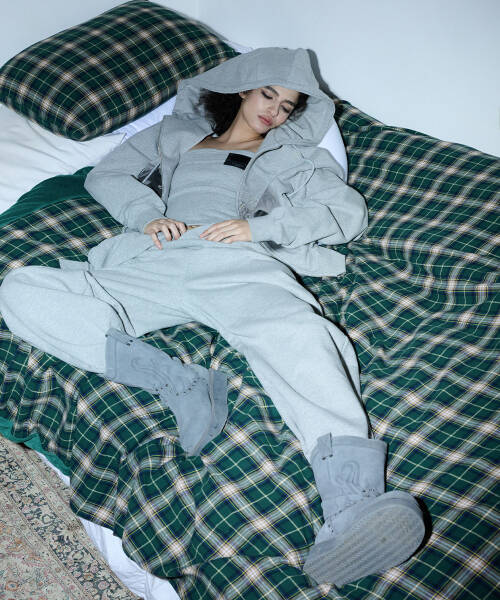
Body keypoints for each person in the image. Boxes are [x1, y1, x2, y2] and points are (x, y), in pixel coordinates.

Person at [0, 47, 425, 586]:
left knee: (302, 335)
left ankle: (351, 506)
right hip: (153, 259)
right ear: (243, 88)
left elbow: (346, 212)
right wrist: (147, 215)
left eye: (288, 106)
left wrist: (258, 229)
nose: (274, 111)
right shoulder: (176, 134)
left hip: (238, 263)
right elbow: (107, 174)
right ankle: (177, 382)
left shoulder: (298, 157)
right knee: (22, 288)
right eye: (268, 94)